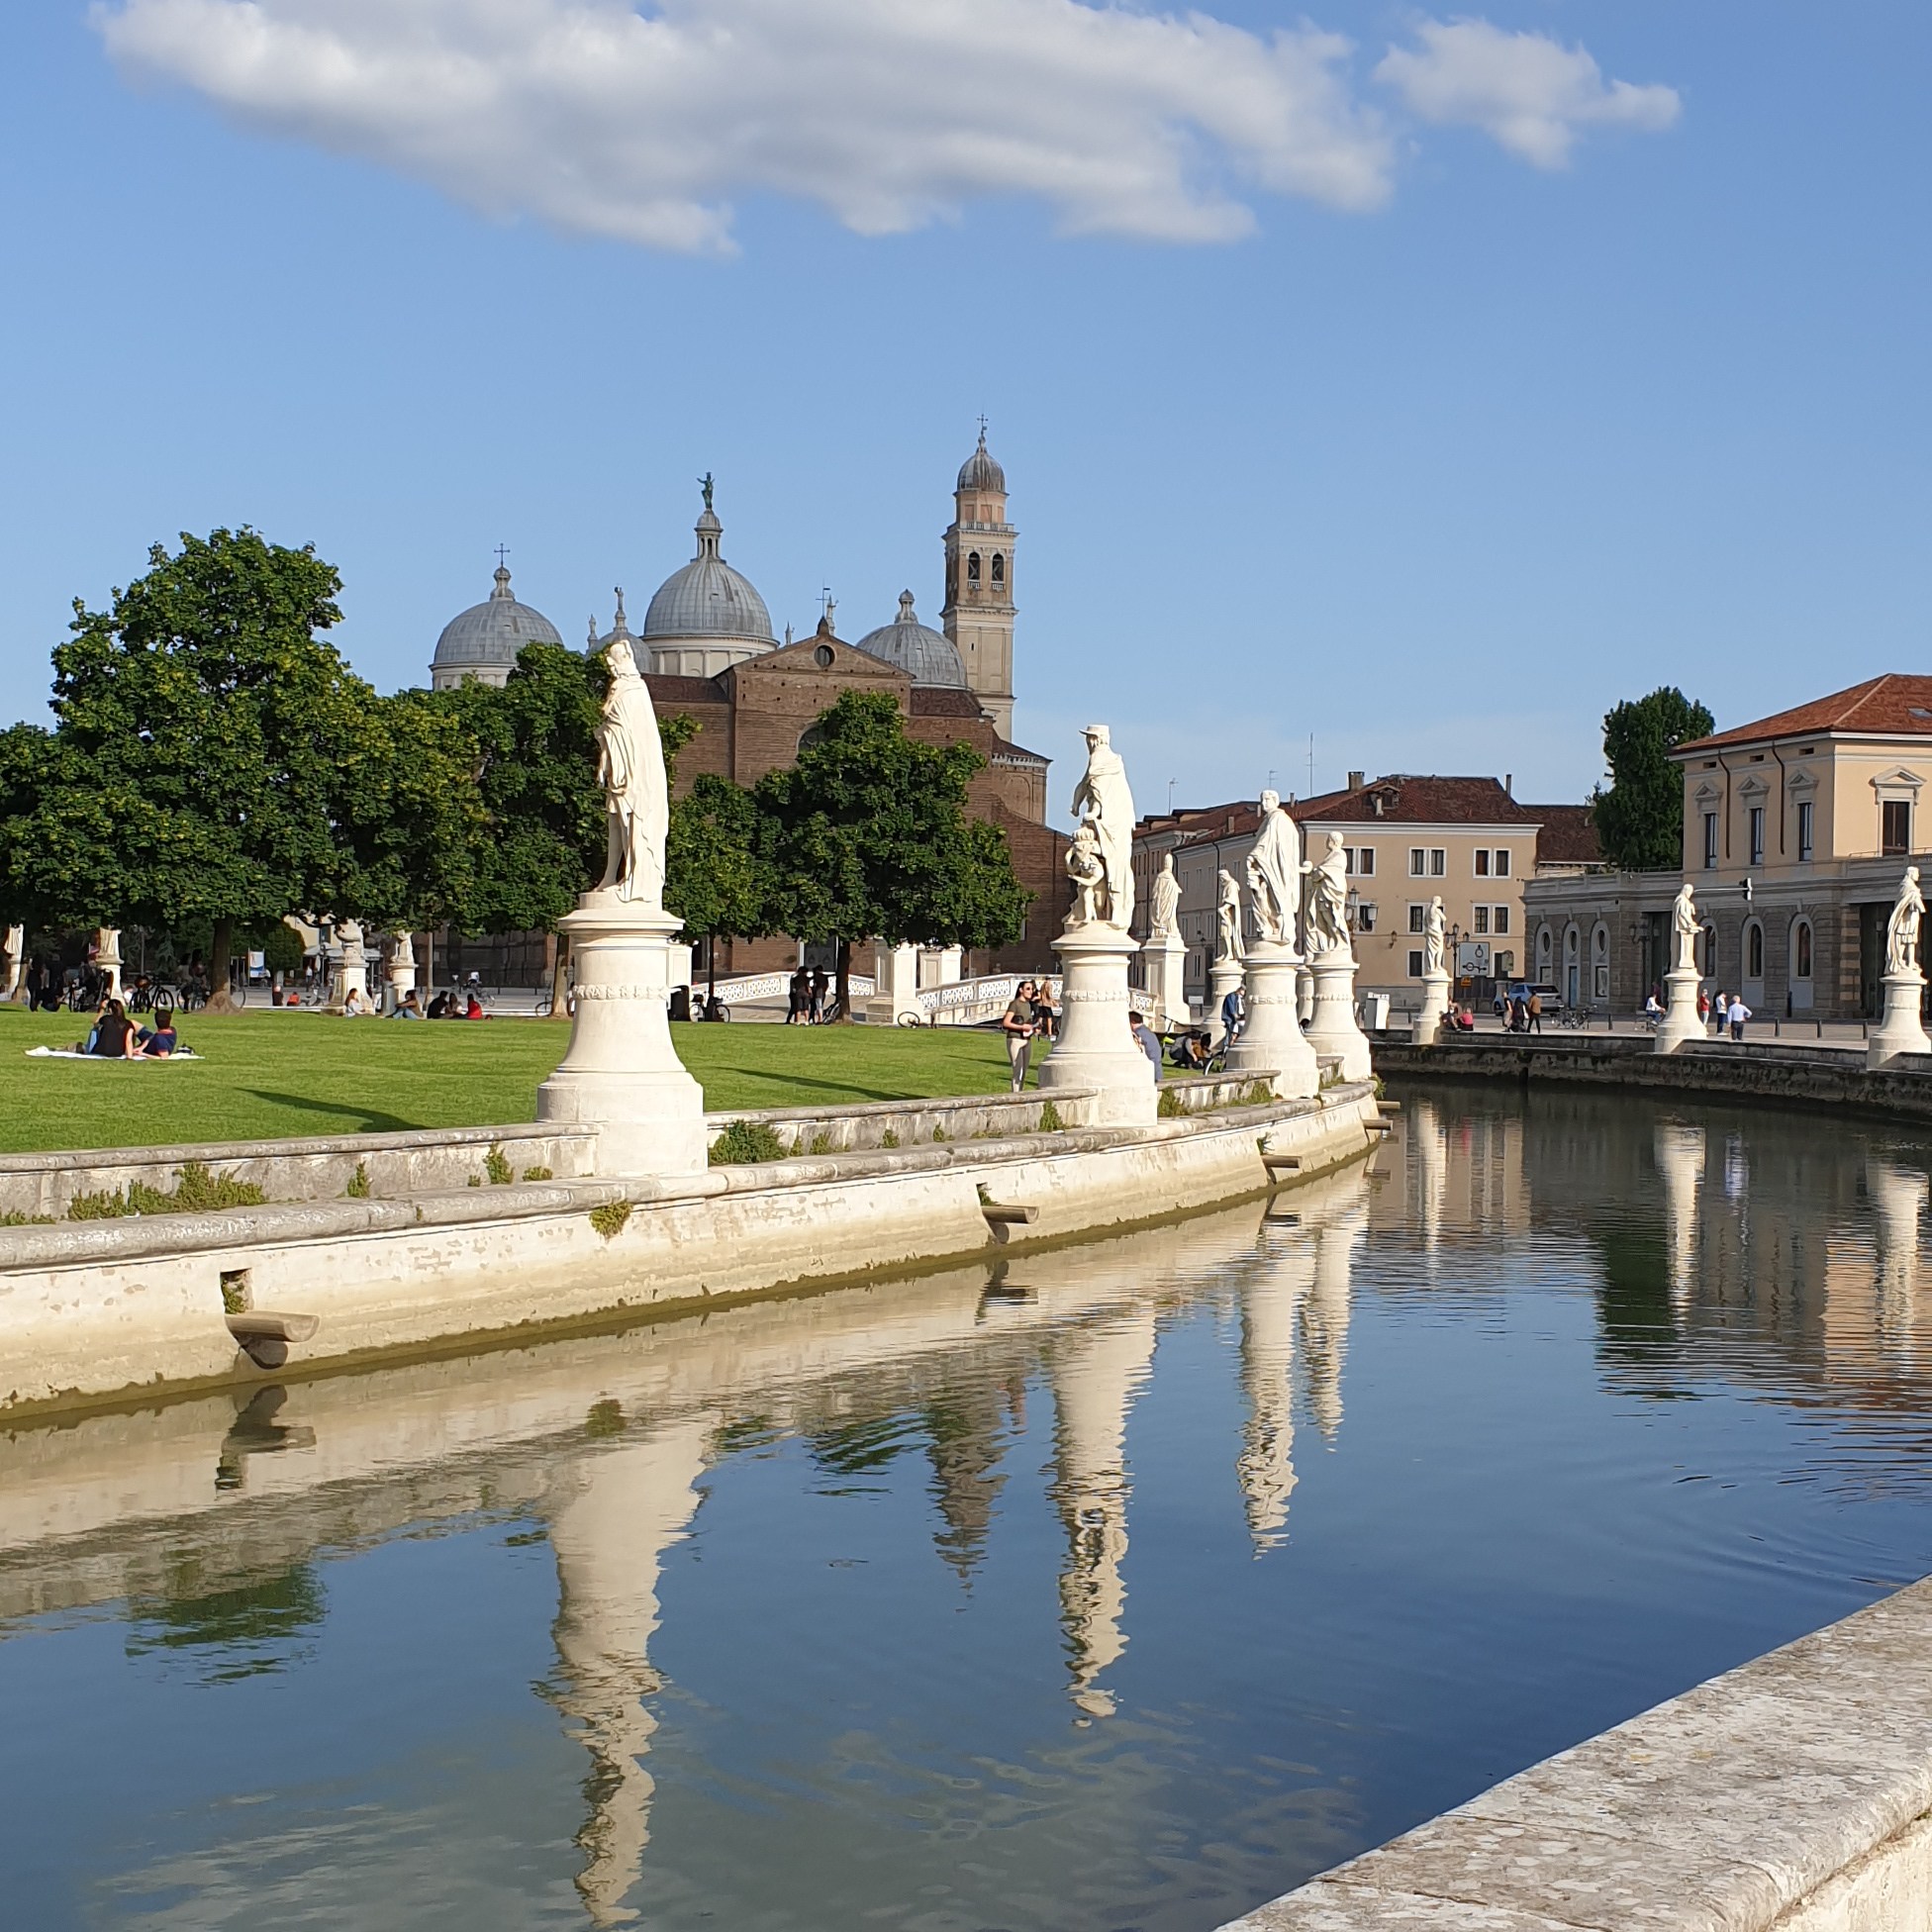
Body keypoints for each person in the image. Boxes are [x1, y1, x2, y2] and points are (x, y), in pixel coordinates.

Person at [1001, 979, 1039, 1093]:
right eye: (1028, 989)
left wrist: (1034, 1028)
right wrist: (1022, 1028)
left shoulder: (1028, 1005)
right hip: (1015, 1039)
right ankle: (1015, 1096)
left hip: (1027, 1040)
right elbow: (1006, 1022)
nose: (1030, 991)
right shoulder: (1015, 1004)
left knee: (1024, 1071)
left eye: (1032, 989)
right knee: (1018, 1070)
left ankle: (1020, 1094)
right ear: (1021, 990)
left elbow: (1027, 1023)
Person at [1220, 982, 1246, 1046]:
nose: (1243, 994)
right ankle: (1226, 1050)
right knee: (1229, 1036)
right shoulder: (1232, 996)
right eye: (1243, 992)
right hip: (1230, 1018)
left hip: (1233, 1019)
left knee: (1232, 1035)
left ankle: (1227, 1049)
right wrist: (1237, 1016)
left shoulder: (1236, 997)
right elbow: (1232, 1009)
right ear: (1240, 990)